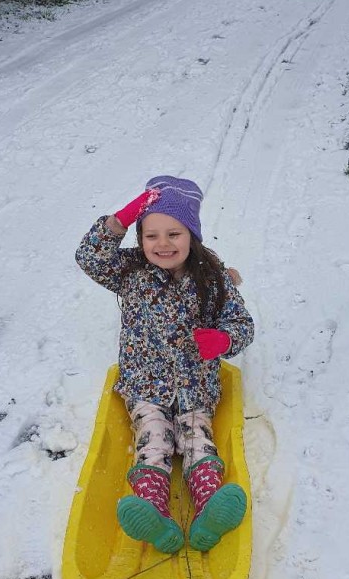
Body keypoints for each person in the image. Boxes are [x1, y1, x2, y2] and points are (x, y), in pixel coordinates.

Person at [75, 175, 255, 554]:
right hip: (146, 385)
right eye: (151, 235)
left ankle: (209, 514)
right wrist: (118, 221)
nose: (163, 244)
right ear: (139, 238)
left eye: (174, 234)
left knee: (198, 440)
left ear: (192, 235)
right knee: (152, 440)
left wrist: (223, 339)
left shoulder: (215, 280)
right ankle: (155, 517)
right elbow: (89, 258)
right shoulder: (130, 272)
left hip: (195, 387)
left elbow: (241, 324)